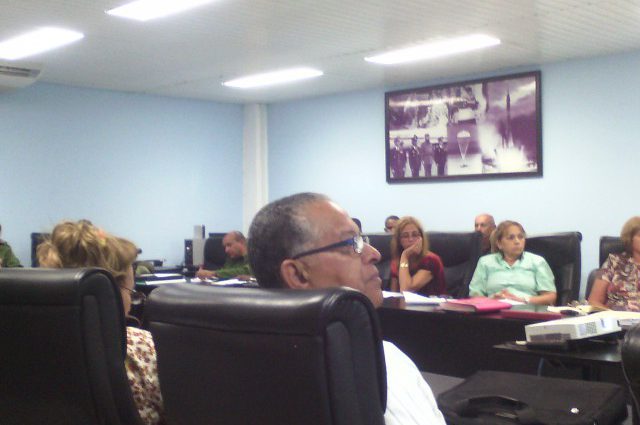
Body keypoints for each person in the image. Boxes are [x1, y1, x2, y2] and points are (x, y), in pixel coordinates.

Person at [248, 193, 445, 425]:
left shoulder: (242, 372)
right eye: (352, 243)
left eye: (363, 239)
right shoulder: (377, 362)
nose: (375, 254)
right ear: (298, 274)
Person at [36, 220, 163, 425]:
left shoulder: (17, 344)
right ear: (109, 293)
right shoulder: (141, 346)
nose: (131, 301)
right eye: (131, 292)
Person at [468, 220, 556, 305]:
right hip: (493, 310)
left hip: (527, 310)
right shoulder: (485, 262)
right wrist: (491, 301)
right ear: (499, 243)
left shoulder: (537, 261)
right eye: (511, 238)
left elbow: (550, 298)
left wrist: (523, 300)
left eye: (521, 237)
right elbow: (475, 296)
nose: (517, 241)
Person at [589, 216, 640, 311]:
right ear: (630, 238)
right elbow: (594, 301)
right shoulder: (614, 262)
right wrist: (611, 315)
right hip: (615, 317)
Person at [389, 217, 446, 296]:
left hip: (430, 303)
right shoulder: (396, 261)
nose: (411, 239)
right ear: (399, 240)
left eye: (415, 235)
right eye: (405, 236)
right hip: (403, 304)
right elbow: (394, 295)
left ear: (421, 238)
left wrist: (405, 256)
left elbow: (406, 291)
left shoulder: (430, 260)